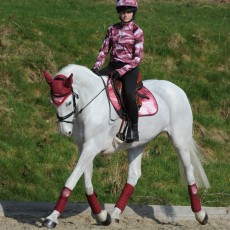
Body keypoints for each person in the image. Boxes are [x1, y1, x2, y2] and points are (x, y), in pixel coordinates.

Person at [92, 0, 144, 143]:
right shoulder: (112, 29)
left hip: (129, 68)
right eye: (122, 12)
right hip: (113, 65)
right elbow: (104, 50)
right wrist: (96, 66)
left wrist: (121, 72)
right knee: (94, 84)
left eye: (128, 12)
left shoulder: (137, 32)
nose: (125, 15)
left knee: (128, 95)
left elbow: (137, 58)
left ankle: (134, 129)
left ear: (133, 13)